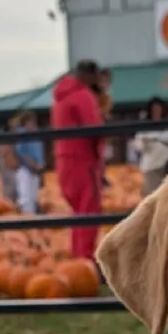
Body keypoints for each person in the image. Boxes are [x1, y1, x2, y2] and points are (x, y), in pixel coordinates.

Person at [51, 60, 104, 260]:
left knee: (78, 212)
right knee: (89, 211)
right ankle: (85, 259)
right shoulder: (83, 95)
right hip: (83, 159)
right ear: (89, 75)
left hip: (64, 159)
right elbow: (94, 129)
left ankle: (78, 255)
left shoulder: (60, 98)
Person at [133, 96, 168, 197]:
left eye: (158, 108)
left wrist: (154, 138)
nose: (156, 111)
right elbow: (138, 145)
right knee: (151, 196)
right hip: (150, 166)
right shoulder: (144, 126)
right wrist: (145, 142)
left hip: (165, 165)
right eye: (154, 109)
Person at [14, 113, 45, 215]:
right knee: (26, 197)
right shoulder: (22, 135)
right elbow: (21, 153)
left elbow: (39, 153)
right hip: (25, 170)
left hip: (35, 171)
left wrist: (40, 168)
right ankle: (26, 216)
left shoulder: (36, 136)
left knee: (33, 197)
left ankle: (32, 215)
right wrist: (33, 164)